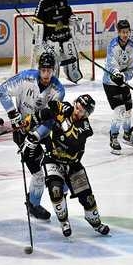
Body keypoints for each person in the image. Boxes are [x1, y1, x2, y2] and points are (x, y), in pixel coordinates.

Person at [23, 95, 110, 237]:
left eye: (81, 111)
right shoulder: (66, 109)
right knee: (55, 190)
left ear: (87, 114)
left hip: (73, 164)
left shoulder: (86, 128)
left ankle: (95, 222)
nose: (77, 112)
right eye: (77, 107)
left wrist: (60, 120)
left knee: (88, 199)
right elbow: (49, 108)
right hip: (53, 160)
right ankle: (64, 222)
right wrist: (32, 119)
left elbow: (72, 141)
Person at [0, 52, 65, 220]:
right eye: (43, 70)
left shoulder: (58, 90)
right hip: (21, 132)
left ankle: (61, 190)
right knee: (38, 175)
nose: (46, 74)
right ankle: (33, 205)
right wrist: (13, 114)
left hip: (43, 133)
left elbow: (51, 118)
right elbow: (2, 90)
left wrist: (35, 135)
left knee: (58, 167)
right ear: (39, 69)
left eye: (49, 71)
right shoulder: (25, 78)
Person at [32, 0, 83, 83]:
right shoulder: (43, 3)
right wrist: (38, 34)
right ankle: (51, 79)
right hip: (51, 37)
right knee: (53, 60)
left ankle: (73, 76)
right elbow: (36, 21)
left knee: (71, 56)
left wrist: (74, 19)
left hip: (65, 35)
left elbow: (69, 14)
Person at [102, 19, 133, 155]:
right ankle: (113, 137)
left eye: (127, 32)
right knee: (120, 109)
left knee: (128, 109)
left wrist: (124, 77)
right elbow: (111, 64)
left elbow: (132, 68)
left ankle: (127, 134)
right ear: (118, 32)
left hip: (123, 82)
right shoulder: (113, 46)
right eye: (122, 32)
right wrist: (117, 74)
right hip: (110, 82)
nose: (125, 34)